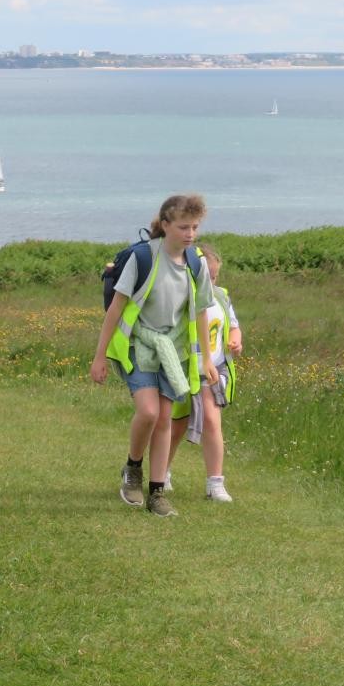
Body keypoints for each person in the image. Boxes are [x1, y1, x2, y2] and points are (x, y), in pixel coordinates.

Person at [90, 194, 219, 516]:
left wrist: (204, 359)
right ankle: (133, 468)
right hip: (139, 346)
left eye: (195, 227)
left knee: (163, 418)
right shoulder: (143, 257)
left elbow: (202, 311)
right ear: (165, 225)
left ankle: (157, 493)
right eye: (183, 227)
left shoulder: (196, 262)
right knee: (148, 413)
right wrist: (100, 356)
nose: (190, 234)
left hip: (174, 351)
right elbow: (116, 309)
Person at [167, 243, 242, 502]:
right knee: (175, 426)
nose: (211, 281)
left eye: (215, 276)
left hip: (212, 371)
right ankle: (161, 472)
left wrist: (236, 340)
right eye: (206, 276)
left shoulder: (221, 296)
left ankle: (215, 483)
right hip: (183, 370)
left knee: (212, 420)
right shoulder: (180, 298)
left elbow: (233, 326)